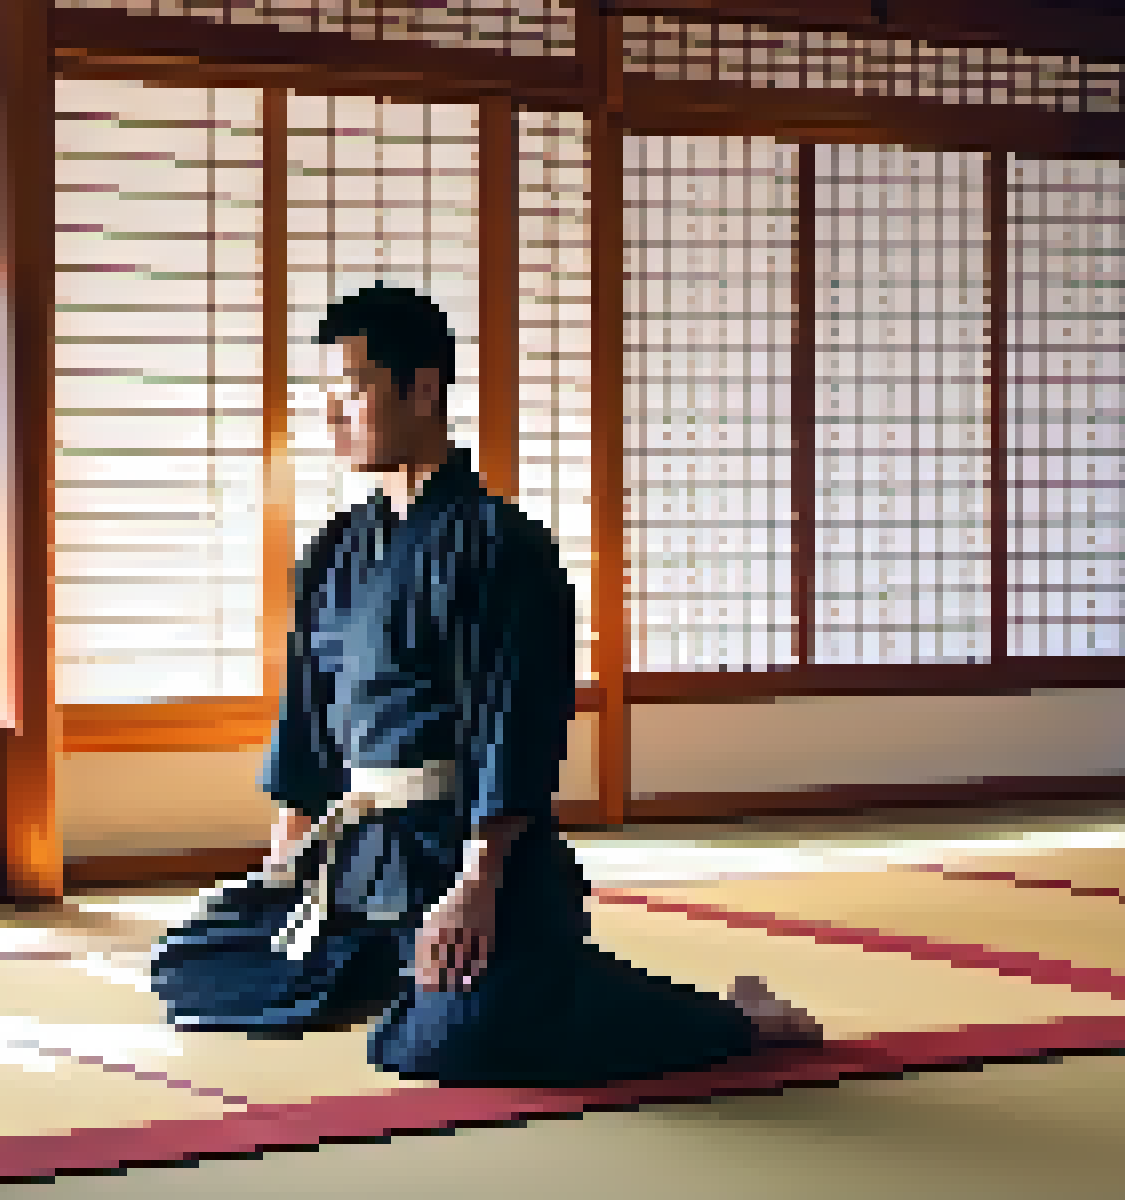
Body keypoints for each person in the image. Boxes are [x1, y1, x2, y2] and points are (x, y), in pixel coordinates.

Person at [148, 283, 821, 1086]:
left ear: (420, 388)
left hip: (461, 855)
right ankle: (403, 971)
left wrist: (477, 882)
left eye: (353, 389)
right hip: (361, 866)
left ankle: (736, 1017)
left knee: (453, 1043)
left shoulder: (503, 547)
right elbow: (305, 725)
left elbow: (516, 730)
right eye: (326, 393)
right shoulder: (332, 553)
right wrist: (287, 872)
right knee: (193, 966)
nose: (333, 414)